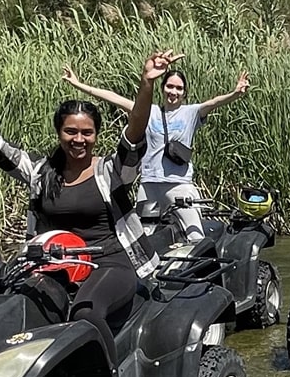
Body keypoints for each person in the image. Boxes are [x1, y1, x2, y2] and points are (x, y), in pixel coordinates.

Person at [0, 51, 177, 346]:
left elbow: (134, 136)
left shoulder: (111, 172)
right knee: (9, 311)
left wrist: (146, 84)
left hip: (110, 263)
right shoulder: (41, 172)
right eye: (71, 132)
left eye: (87, 133)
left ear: (96, 136)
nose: (79, 139)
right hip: (54, 266)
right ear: (59, 133)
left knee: (85, 315)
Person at [61, 64, 249, 243]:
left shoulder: (191, 113)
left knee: (196, 237)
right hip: (149, 184)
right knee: (144, 238)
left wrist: (235, 93)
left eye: (179, 88)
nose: (173, 92)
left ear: (184, 93)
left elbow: (215, 102)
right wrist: (78, 84)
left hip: (179, 185)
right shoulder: (148, 112)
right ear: (162, 88)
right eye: (170, 86)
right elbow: (114, 98)